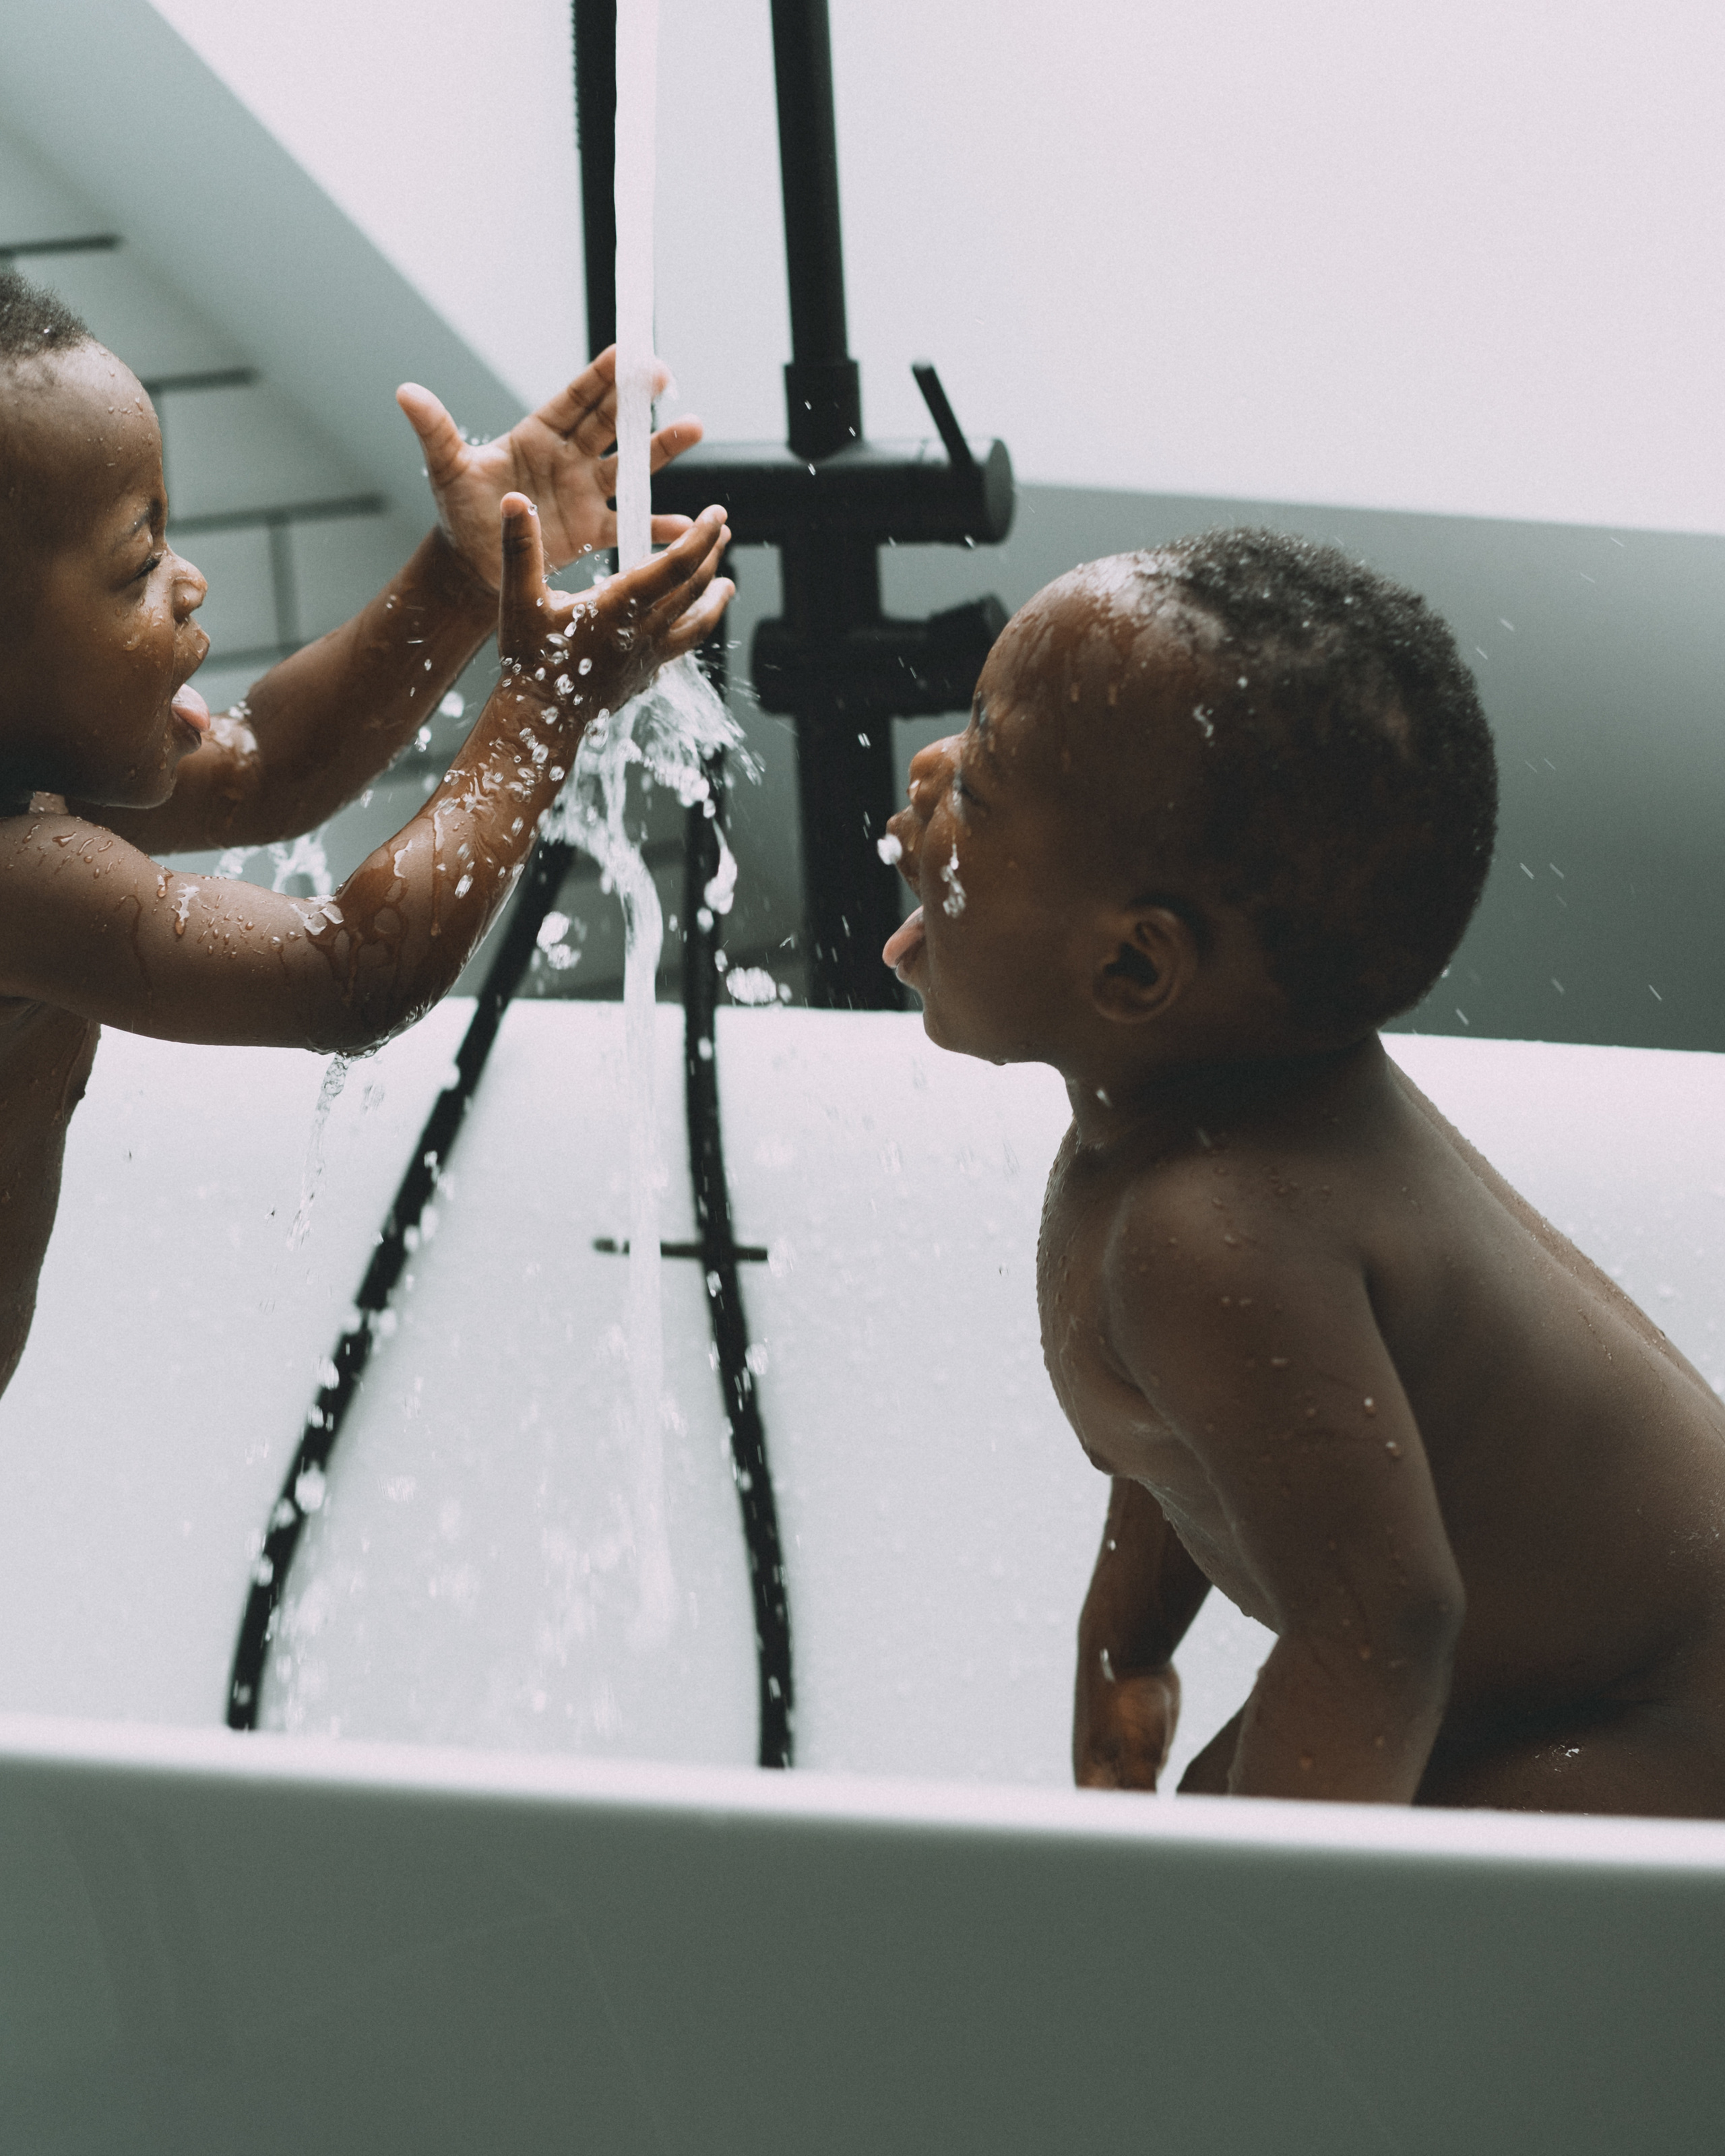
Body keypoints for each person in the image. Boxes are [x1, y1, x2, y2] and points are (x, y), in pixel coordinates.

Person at [882, 530, 1725, 1817]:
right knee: (1220, 1839)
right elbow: (1197, 1433)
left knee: (1237, 1904)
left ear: (1131, 973)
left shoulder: (1211, 1229)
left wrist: (1247, 1967)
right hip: (1579, 1681)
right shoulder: (1182, 1114)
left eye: (982, 787)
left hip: (1668, 1720)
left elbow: (1384, 1626)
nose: (930, 770)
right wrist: (1128, 1641)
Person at [0, 269, 731, 1396]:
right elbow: (348, 974)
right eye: (141, 564)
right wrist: (544, 705)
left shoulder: (43, 786)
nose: (189, 582)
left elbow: (265, 773)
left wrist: (460, 576)